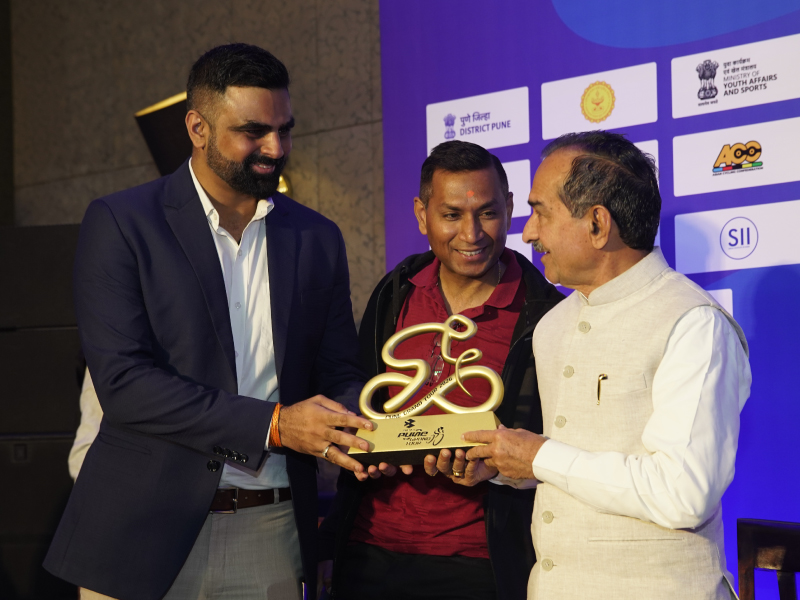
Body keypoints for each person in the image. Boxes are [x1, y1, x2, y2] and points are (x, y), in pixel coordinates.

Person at [44, 43, 375, 600]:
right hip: (139, 532)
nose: (275, 148)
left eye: (285, 130)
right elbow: (124, 384)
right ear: (197, 127)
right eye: (253, 132)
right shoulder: (122, 222)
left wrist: (372, 435)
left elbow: (339, 370)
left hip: (271, 530)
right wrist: (275, 426)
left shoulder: (317, 237)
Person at [446, 131, 751, 599]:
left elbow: (684, 492)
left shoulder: (693, 323)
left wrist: (538, 456)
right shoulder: (552, 325)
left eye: (541, 212)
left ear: (597, 224)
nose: (527, 233)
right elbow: (571, 462)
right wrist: (504, 466)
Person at [318, 140, 564, 600]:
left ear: (510, 208)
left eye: (488, 213)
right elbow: (360, 396)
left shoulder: (545, 314)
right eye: (452, 215)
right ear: (421, 214)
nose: (472, 233)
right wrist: (362, 448)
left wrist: (497, 465)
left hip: (479, 562)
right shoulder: (394, 292)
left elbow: (561, 449)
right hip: (368, 550)